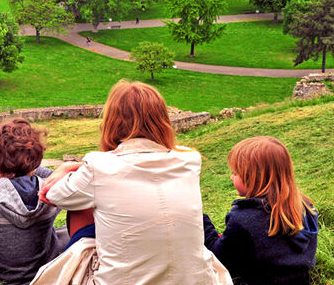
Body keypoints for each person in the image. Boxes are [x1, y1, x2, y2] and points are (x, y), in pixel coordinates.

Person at [39, 80, 229, 284]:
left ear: (112, 121)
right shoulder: (189, 160)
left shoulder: (99, 165)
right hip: (194, 280)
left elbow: (52, 194)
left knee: (79, 206)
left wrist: (66, 168)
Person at [203, 136, 318, 285]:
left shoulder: (244, 220)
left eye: (235, 173)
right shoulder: (305, 205)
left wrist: (202, 221)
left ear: (254, 178)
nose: (231, 177)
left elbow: (219, 259)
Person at [0, 118, 64, 285]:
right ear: (35, 161)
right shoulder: (51, 189)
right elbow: (63, 176)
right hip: (43, 277)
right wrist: (26, 161)